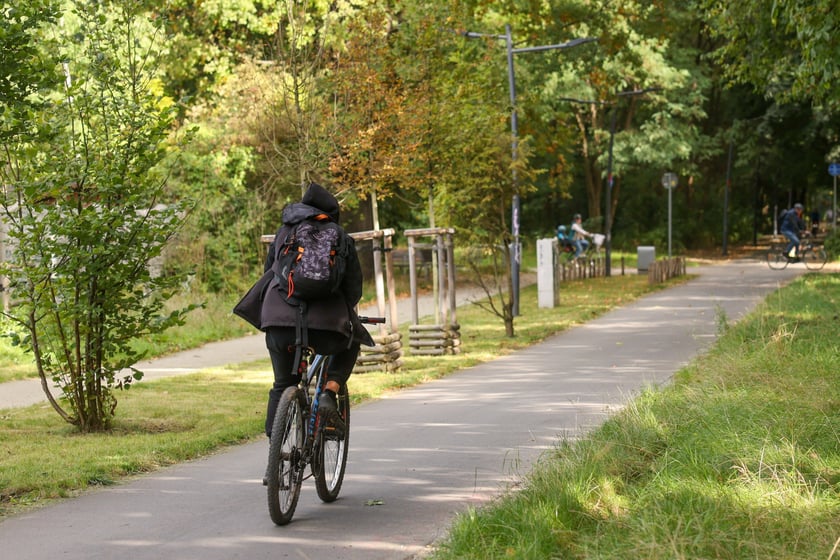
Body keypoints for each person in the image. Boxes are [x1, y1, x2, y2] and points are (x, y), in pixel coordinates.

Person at [260, 183, 374, 442]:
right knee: (351, 341)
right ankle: (329, 393)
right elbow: (353, 289)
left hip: (279, 322)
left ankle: (275, 447)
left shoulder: (284, 232)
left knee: (283, 384)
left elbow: (269, 275)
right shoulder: (340, 236)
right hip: (326, 328)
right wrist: (344, 313)